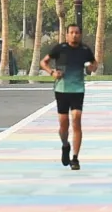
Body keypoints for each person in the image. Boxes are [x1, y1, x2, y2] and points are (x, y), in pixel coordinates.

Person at [40, 24, 97, 170]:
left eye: (77, 33)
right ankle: (65, 145)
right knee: (63, 124)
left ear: (80, 34)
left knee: (77, 120)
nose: (74, 35)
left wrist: (92, 67)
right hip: (62, 90)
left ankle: (75, 158)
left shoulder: (85, 50)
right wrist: (52, 72)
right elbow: (43, 62)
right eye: (71, 32)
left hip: (78, 90)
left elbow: (94, 63)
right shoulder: (60, 49)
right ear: (67, 35)